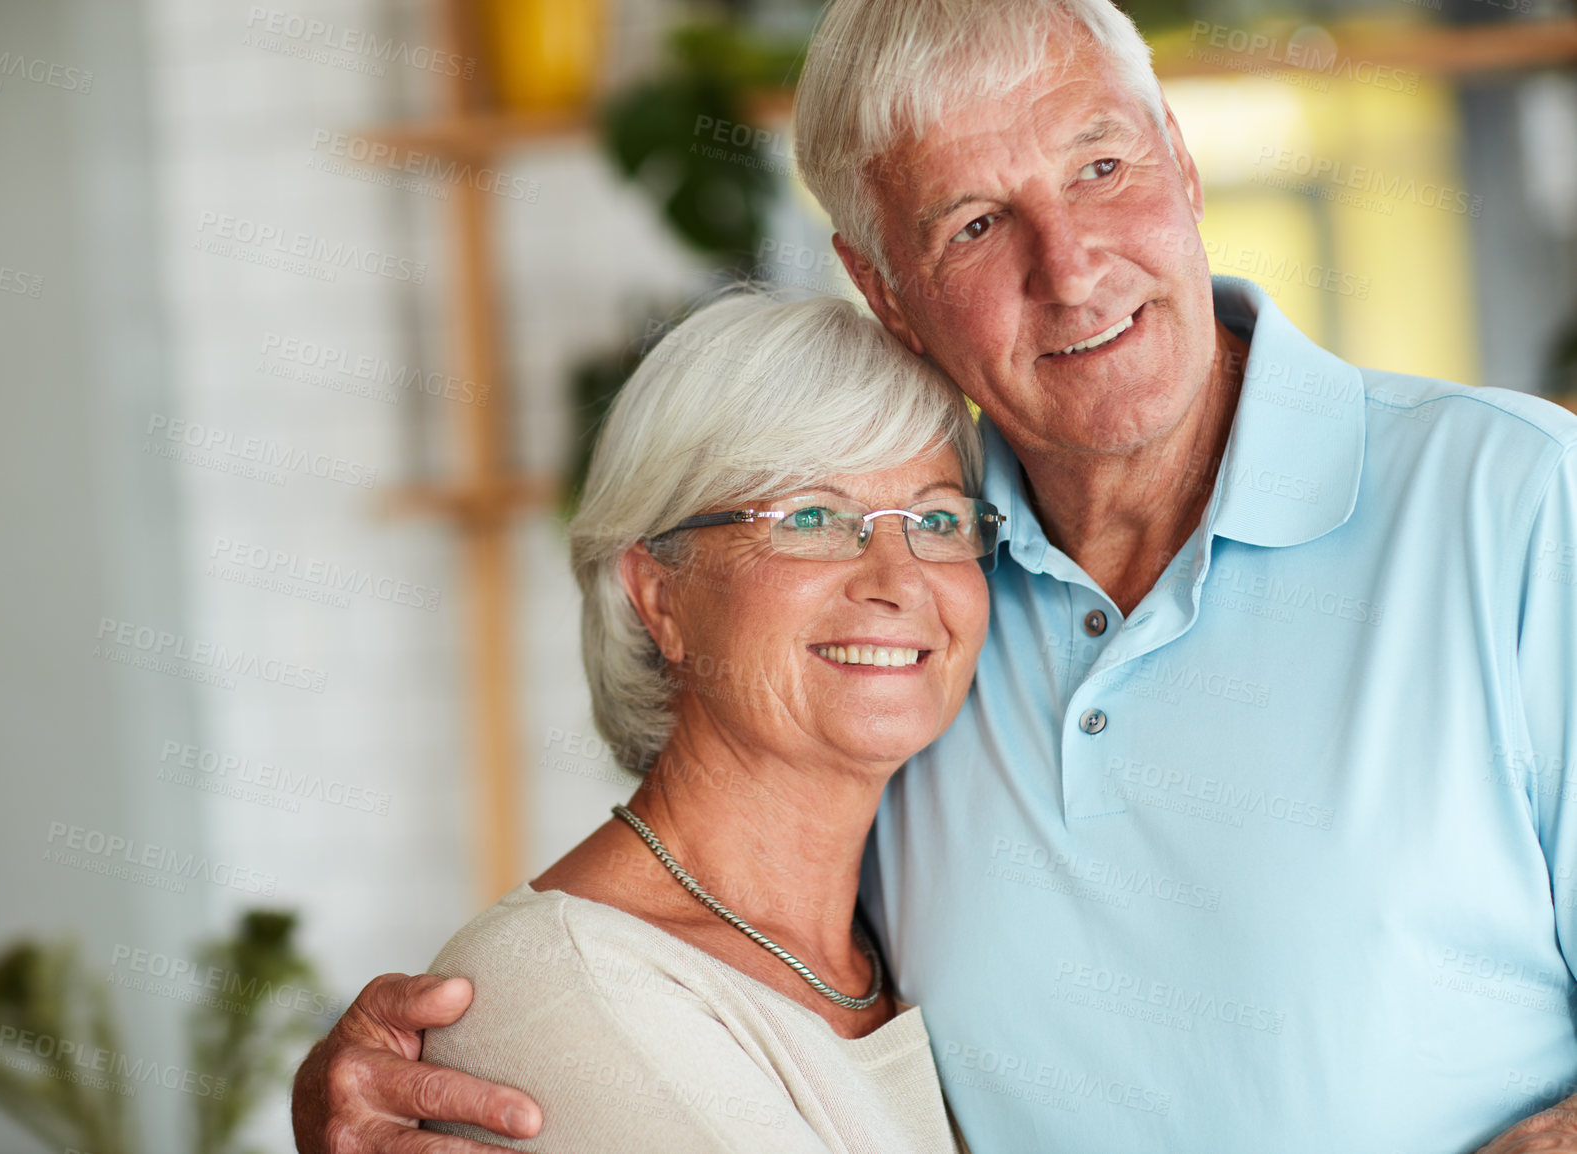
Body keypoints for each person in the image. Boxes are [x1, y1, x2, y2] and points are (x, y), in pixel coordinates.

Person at [292, 1, 1577, 1151]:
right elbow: (677, 966)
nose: (1070, 268)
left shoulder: (1521, 505)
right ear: (885, 290)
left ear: (1180, 160)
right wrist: (406, 1064)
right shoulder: (921, 644)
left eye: (1101, 166)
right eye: (973, 223)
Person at [417, 292, 993, 1152]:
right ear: (658, 596)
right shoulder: (559, 984)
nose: (899, 580)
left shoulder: (912, 936)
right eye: (810, 518)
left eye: (937, 520)